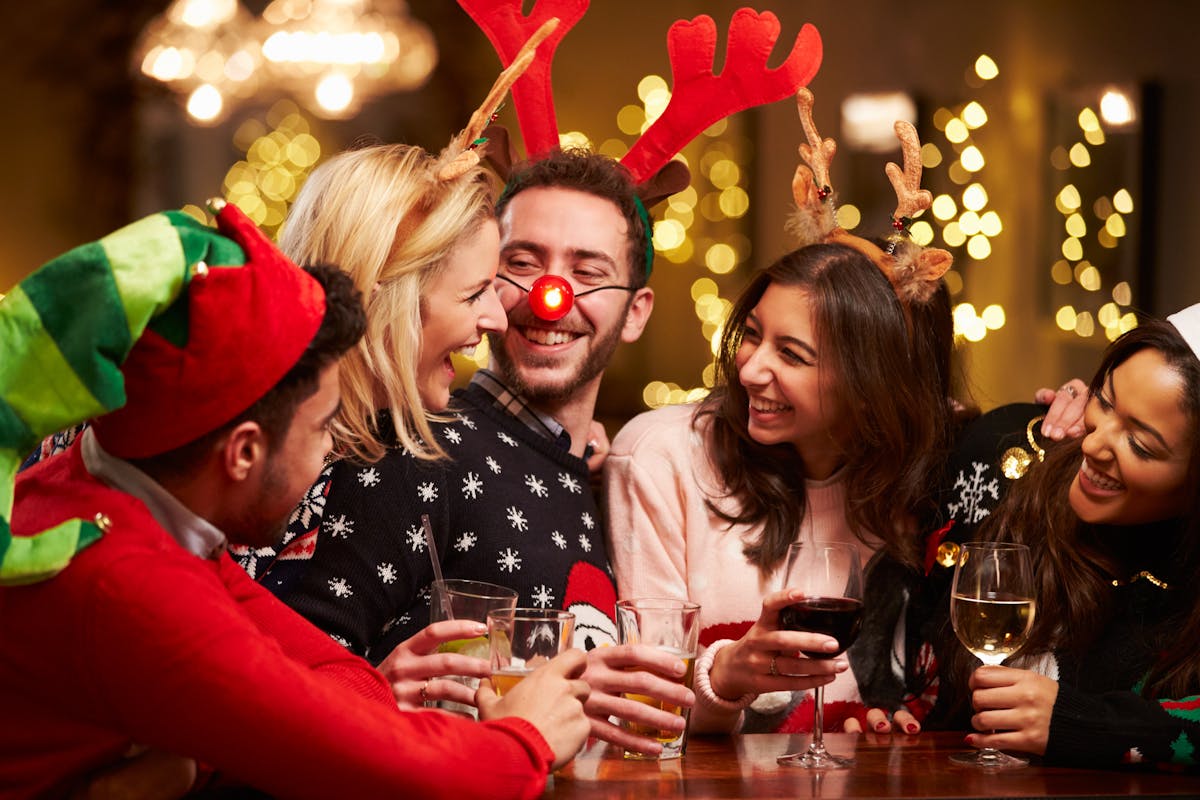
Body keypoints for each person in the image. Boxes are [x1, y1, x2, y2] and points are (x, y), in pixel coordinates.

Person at [0, 202, 590, 798]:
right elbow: (395, 774)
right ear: (243, 453)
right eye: (322, 429)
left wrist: (195, 760)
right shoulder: (133, 585)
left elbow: (335, 682)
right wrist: (526, 738)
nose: (325, 462)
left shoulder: (110, 487)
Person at [253, 146, 695, 756]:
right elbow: (278, 680)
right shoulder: (410, 441)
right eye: (520, 263)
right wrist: (379, 699)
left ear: (635, 311)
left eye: (587, 273)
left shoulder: (605, 475)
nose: (550, 296)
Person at [926, 307, 1200, 770]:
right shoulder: (1006, 457)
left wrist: (1091, 725)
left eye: (1140, 444)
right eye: (1106, 401)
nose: (1092, 446)